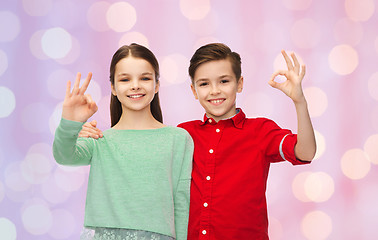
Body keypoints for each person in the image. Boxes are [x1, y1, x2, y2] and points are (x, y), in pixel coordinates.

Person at [80, 43, 316, 239]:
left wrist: (299, 101)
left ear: (240, 83)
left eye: (224, 81)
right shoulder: (182, 135)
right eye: (204, 83)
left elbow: (305, 152)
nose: (215, 91)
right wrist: (91, 134)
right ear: (193, 90)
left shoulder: (260, 130)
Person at [53, 43, 193, 240]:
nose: (135, 85)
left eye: (145, 78)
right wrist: (70, 122)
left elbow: (181, 203)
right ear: (113, 88)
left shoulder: (178, 139)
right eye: (125, 79)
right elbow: (64, 155)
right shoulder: (99, 139)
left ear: (157, 84)